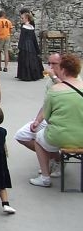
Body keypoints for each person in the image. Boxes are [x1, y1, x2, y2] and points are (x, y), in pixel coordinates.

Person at [30, 53, 83, 187]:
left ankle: (45, 177)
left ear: (63, 69)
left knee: (38, 138)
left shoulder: (55, 90)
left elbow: (47, 117)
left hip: (60, 137)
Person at [16, 11, 44, 81]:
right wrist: (36, 48)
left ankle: (25, 75)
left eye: (22, 18)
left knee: (25, 60)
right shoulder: (31, 27)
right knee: (32, 60)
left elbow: (22, 38)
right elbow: (34, 39)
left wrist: (19, 46)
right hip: (31, 45)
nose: (21, 19)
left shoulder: (24, 27)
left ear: (27, 18)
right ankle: (33, 75)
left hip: (25, 45)